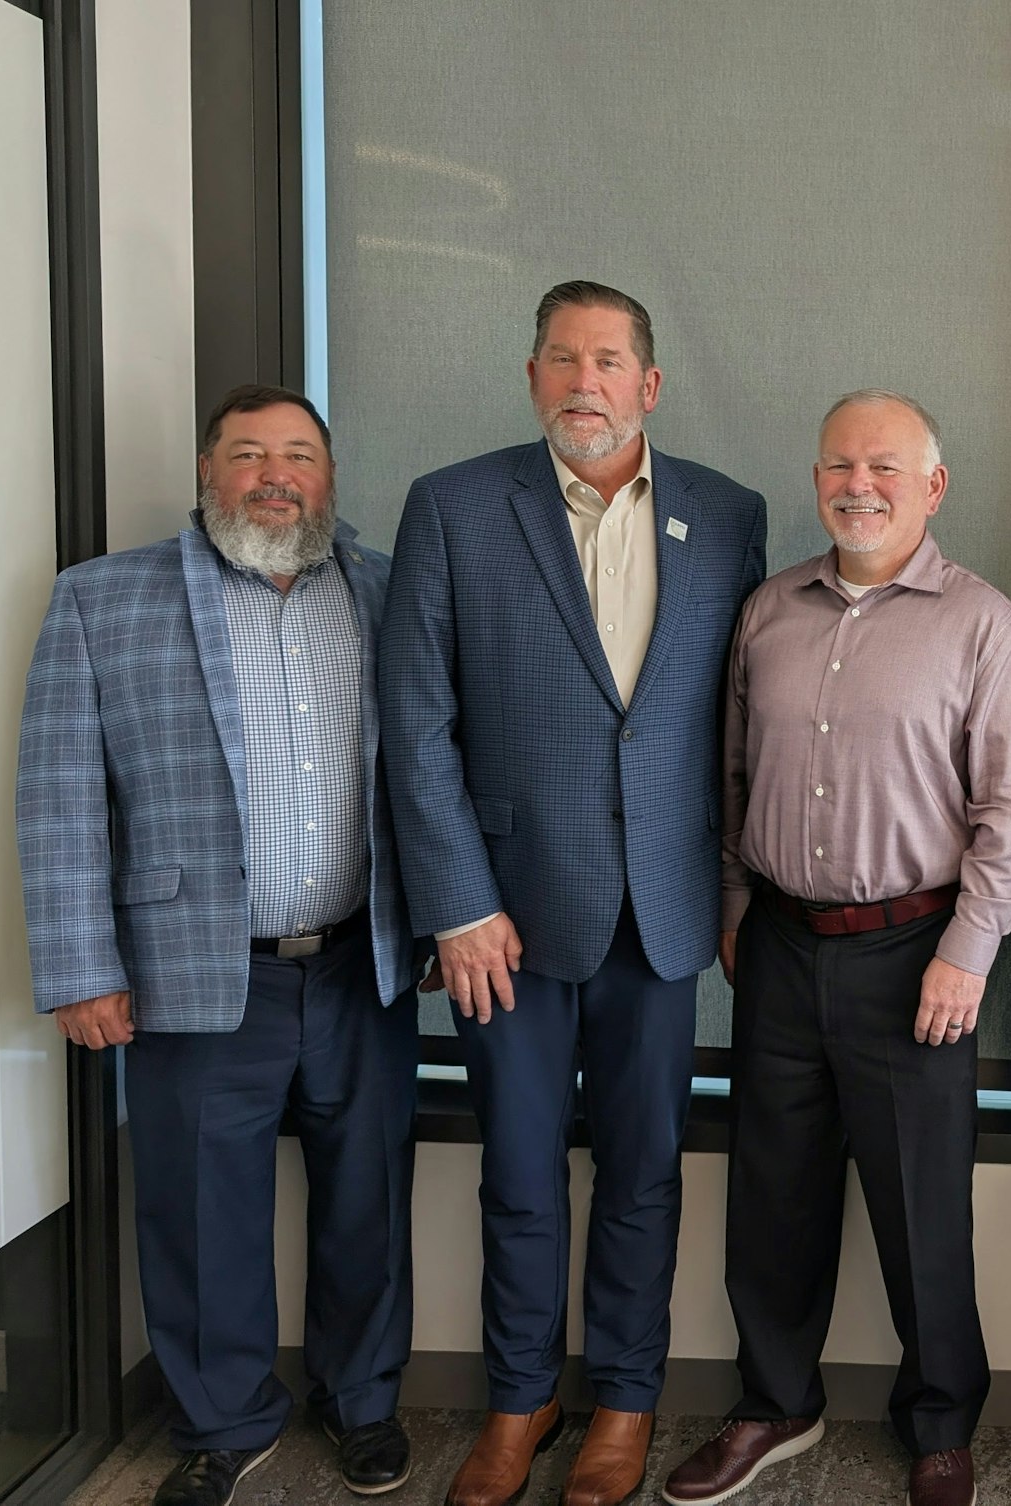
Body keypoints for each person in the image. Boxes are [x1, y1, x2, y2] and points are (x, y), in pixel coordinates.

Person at [380, 282, 766, 1506]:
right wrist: (455, 900)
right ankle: (517, 1400)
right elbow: (416, 722)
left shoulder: (727, 513)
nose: (582, 382)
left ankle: (624, 1402)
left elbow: (734, 724)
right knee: (518, 1166)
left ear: (649, 383)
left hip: (662, 915)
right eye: (561, 359)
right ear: (531, 377)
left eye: (607, 360)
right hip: (506, 918)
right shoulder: (451, 507)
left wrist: (729, 889)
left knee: (646, 1167)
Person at [16, 385, 420, 1506]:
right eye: (248, 454)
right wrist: (81, 965)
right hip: (194, 970)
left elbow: (435, 771)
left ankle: (364, 1402)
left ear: (330, 478)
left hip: (360, 963)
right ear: (208, 474)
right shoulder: (105, 601)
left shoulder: (390, 592)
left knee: (368, 1199)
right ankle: (221, 1423)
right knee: (199, 1209)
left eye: (297, 454)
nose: (274, 474)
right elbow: (57, 796)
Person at [662, 390, 1011, 1506]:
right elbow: (731, 774)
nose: (858, 484)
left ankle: (938, 1422)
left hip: (917, 952)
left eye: (885, 466)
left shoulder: (986, 626)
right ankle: (775, 1400)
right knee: (771, 1193)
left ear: (932, 487)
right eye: (839, 464)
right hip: (780, 942)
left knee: (921, 1206)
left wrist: (968, 952)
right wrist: (736, 904)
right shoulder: (767, 611)